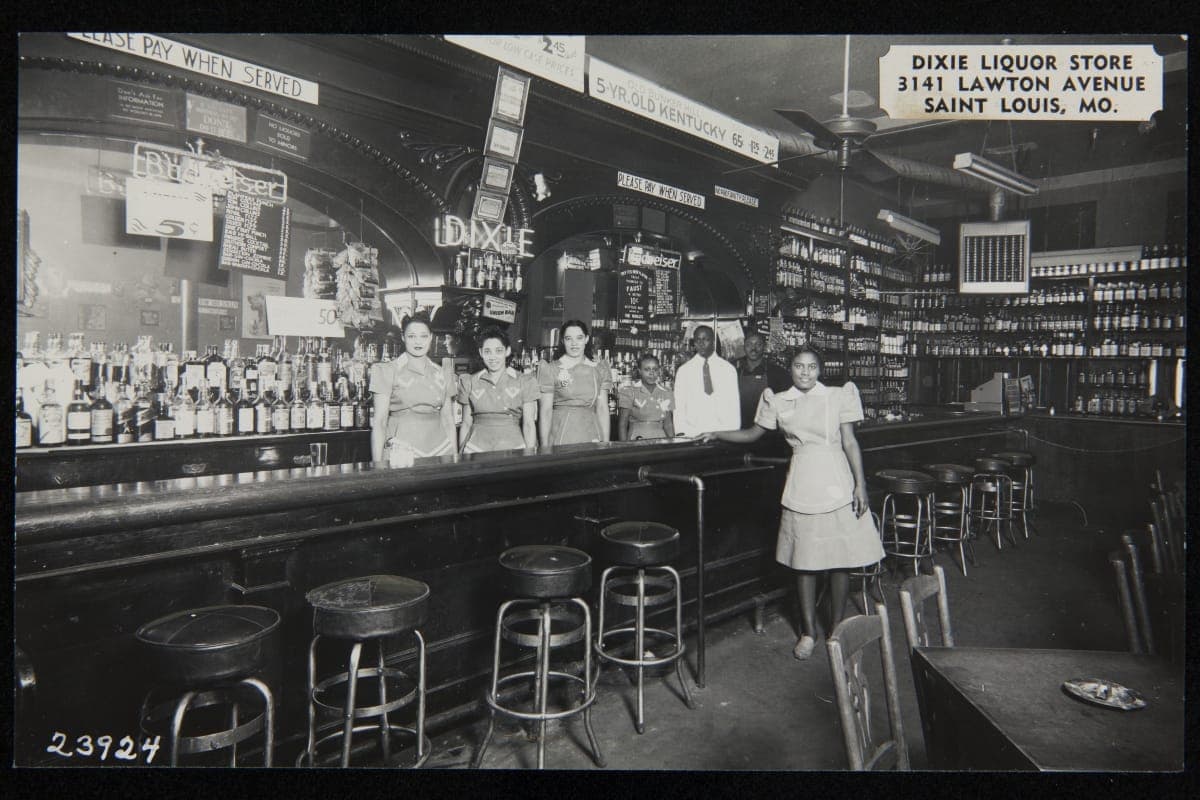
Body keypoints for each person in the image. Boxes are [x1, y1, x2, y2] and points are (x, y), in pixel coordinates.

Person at [700, 347, 883, 661]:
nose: (806, 372)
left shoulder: (839, 396)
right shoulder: (778, 400)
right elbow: (753, 433)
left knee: (841, 561)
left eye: (812, 366)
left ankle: (837, 631)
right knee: (805, 563)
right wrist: (715, 432)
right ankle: (808, 632)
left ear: (820, 369)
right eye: (799, 366)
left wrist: (860, 486)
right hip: (802, 483)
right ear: (791, 369)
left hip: (837, 482)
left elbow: (850, 442)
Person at [370, 315, 456, 463]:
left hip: (441, 450)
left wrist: (455, 458)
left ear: (431, 337)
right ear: (403, 337)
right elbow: (380, 422)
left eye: (423, 336)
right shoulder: (386, 371)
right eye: (411, 336)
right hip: (401, 451)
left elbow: (448, 420)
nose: (418, 341)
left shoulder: (443, 373)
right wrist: (377, 465)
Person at [457, 327, 538, 453]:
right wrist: (461, 456)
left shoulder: (525, 381)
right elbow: (466, 423)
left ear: (507, 351)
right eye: (487, 351)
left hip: (514, 448)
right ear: (480, 352)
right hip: (475, 448)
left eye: (498, 351)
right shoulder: (469, 382)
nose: (493, 357)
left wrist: (530, 456)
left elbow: (528, 424)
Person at [536, 320, 612, 446]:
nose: (574, 343)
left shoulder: (599, 369)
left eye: (579, 338)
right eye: (568, 338)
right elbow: (546, 411)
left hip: (591, 434)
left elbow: (602, 409)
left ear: (587, 339)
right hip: (561, 435)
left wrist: (606, 443)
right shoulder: (551, 369)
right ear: (562, 341)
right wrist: (544, 447)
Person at [672, 324, 739, 437]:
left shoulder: (728, 370)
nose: (701, 343)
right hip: (692, 432)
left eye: (706, 339)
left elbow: (734, 405)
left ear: (713, 341)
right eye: (698, 340)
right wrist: (680, 433)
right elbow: (678, 405)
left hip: (721, 432)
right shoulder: (684, 371)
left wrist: (732, 434)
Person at [735, 331, 792, 427]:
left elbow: (788, 404)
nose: (753, 349)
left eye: (758, 344)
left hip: (768, 432)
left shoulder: (778, 373)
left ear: (764, 347)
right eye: (749, 344)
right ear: (744, 347)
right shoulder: (735, 372)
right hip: (739, 428)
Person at [617, 353, 675, 441]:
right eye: (647, 369)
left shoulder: (666, 392)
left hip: (661, 441)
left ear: (659, 371)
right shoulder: (629, 392)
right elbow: (622, 424)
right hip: (636, 440)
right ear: (639, 371)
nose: (651, 373)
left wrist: (672, 445)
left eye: (655, 369)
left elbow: (668, 424)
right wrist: (624, 447)